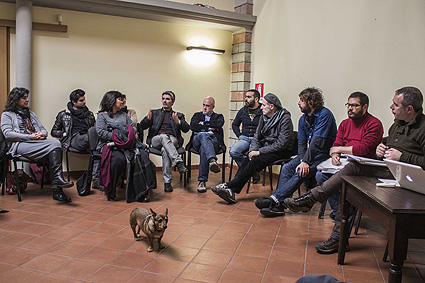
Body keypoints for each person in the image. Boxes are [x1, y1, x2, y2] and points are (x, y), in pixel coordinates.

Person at [284, 86, 425, 254]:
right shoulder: (397, 124)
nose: (391, 107)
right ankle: (337, 236)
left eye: (395, 104)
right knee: (348, 183)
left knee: (352, 169)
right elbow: (388, 147)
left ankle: (312, 199)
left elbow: (368, 149)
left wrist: (402, 157)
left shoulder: (422, 128)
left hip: (409, 179)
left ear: (409, 109)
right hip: (388, 169)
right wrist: (382, 148)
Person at [254, 87, 337, 217]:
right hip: (309, 155)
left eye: (301, 100)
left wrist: (305, 162)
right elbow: (302, 143)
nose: (298, 103)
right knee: (287, 167)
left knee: (301, 171)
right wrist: (303, 159)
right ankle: (278, 204)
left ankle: (275, 201)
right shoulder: (303, 119)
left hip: (326, 155)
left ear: (311, 102)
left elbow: (317, 142)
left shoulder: (325, 115)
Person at [211, 93, 294, 203]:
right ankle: (231, 190)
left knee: (257, 160)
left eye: (264, 105)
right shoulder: (264, 117)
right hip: (268, 147)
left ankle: (228, 186)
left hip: (282, 151)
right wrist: (252, 151)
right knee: (248, 159)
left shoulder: (285, 118)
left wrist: (259, 151)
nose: (261, 107)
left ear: (272, 106)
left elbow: (281, 144)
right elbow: (256, 137)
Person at [316, 92, 383, 218]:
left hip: (363, 166)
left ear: (365, 107)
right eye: (348, 105)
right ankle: (339, 212)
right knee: (320, 175)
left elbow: (363, 149)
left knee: (344, 182)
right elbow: (337, 143)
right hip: (343, 163)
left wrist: (339, 149)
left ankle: (346, 212)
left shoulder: (374, 124)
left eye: (354, 105)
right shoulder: (344, 124)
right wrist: (335, 155)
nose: (350, 108)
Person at [1, 87, 74, 202]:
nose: (27, 100)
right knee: (55, 146)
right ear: (16, 100)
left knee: (55, 144)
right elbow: (8, 134)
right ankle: (57, 189)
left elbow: (43, 129)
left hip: (36, 143)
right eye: (24, 98)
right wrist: (30, 136)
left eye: (27, 97)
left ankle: (57, 188)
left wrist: (42, 134)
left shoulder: (31, 114)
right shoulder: (7, 115)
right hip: (20, 145)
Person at [96, 91, 156, 202]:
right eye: (119, 99)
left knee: (142, 155)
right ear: (112, 101)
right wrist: (118, 136)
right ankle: (111, 190)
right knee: (119, 160)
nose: (122, 101)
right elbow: (101, 133)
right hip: (110, 145)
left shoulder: (123, 115)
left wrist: (125, 135)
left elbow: (133, 128)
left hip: (127, 144)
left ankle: (140, 192)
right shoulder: (102, 116)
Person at [140, 91, 190, 192]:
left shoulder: (178, 115)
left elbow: (186, 129)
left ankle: (167, 183)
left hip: (172, 140)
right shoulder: (154, 113)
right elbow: (142, 126)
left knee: (165, 150)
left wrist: (178, 122)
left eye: (167, 99)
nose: (164, 101)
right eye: (163, 98)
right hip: (156, 139)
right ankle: (178, 163)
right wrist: (148, 119)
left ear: (173, 102)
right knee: (163, 137)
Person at [51, 89, 99, 187]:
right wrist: (62, 134)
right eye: (81, 100)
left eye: (84, 99)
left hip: (88, 140)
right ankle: (95, 178)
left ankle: (96, 180)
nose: (84, 102)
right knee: (92, 136)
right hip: (73, 140)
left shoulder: (89, 114)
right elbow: (53, 132)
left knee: (99, 149)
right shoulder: (64, 114)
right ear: (73, 102)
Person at [188, 96, 225, 193]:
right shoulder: (197, 115)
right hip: (197, 142)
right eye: (203, 105)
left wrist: (202, 124)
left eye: (207, 106)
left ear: (213, 107)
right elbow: (193, 126)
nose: (204, 108)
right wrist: (209, 127)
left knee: (204, 150)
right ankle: (212, 160)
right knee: (203, 135)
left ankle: (202, 181)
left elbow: (219, 124)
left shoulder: (219, 116)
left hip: (214, 143)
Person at [229, 89, 263, 183]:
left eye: (249, 97)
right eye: (246, 96)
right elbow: (235, 124)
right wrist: (239, 135)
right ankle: (252, 172)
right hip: (244, 138)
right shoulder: (243, 110)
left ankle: (246, 172)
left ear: (256, 99)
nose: (246, 99)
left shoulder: (262, 111)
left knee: (252, 156)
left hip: (257, 139)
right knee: (233, 151)